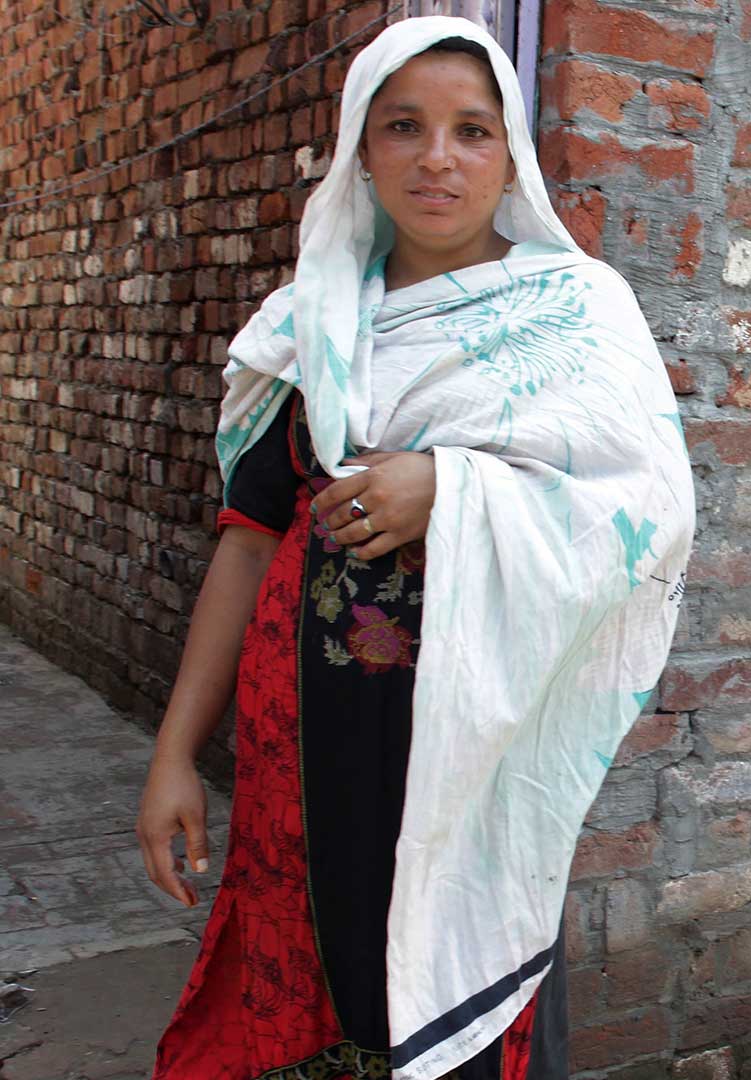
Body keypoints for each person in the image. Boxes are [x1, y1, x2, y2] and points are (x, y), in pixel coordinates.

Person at [132, 19, 694, 1080]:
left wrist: (450, 488)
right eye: (405, 127)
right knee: (310, 974)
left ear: (510, 153)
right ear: (362, 148)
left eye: (472, 131)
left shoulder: (577, 314)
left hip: (475, 747)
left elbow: (650, 510)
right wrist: (174, 752)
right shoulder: (308, 327)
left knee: (456, 979)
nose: (439, 157)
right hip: (299, 742)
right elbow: (248, 546)